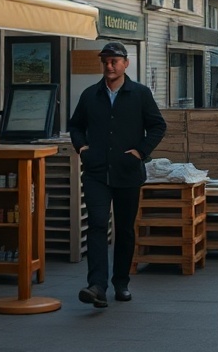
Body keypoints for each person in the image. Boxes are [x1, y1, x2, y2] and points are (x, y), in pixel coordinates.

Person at [69, 42, 166, 308]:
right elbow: (75, 126)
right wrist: (83, 148)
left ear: (126, 64)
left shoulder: (140, 94)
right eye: (106, 61)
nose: (109, 66)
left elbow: (158, 126)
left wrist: (141, 152)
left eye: (114, 61)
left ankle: (121, 282)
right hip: (96, 172)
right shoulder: (91, 95)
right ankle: (97, 285)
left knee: (124, 229)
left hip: (127, 172)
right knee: (98, 225)